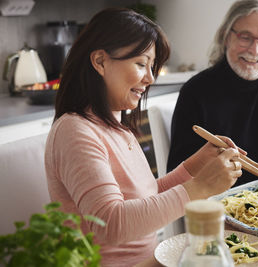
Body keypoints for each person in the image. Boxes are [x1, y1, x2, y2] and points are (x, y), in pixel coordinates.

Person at [44, 8, 243, 267]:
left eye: (152, 67)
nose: (150, 78)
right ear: (100, 61)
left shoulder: (116, 125)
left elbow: (145, 199)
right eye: (141, 64)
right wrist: (200, 187)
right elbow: (110, 223)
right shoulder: (75, 131)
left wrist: (196, 166)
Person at [167, 0, 258, 186]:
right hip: (216, 202)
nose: (254, 50)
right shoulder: (195, 91)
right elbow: (178, 171)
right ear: (226, 36)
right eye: (245, 37)